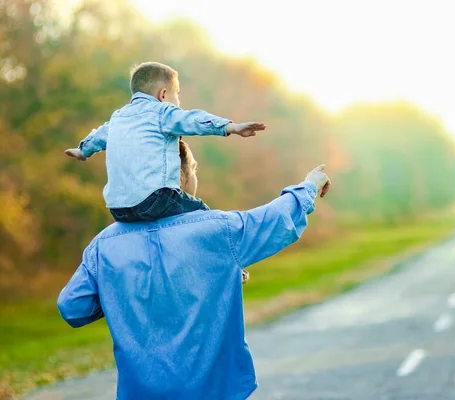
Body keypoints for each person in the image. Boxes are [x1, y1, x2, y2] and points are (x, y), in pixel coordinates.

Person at [57, 140, 331, 400]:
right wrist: (310, 185)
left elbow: (73, 308)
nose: (195, 175)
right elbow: (276, 219)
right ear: (179, 175)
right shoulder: (219, 230)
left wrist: (120, 291)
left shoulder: (103, 246)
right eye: (194, 168)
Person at [64, 61, 266, 223]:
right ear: (163, 94)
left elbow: (97, 137)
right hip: (155, 200)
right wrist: (231, 127)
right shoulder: (162, 112)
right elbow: (193, 120)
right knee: (206, 218)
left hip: (118, 209)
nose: (178, 102)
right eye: (176, 94)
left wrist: (82, 151)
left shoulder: (118, 118)